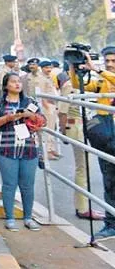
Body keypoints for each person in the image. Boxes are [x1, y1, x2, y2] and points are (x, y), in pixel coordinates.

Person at [0, 73, 46, 231]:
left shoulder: (30, 102)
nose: (17, 84)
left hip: (29, 149)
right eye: (13, 82)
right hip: (6, 148)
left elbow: (42, 120)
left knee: (28, 185)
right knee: (9, 184)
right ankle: (10, 218)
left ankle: (28, 217)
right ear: (6, 85)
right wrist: (8, 118)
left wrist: (30, 116)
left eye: (19, 81)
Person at [70, 47, 115, 241]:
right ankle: (111, 223)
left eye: (114, 61)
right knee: (110, 180)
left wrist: (97, 69)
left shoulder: (103, 75)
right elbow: (76, 84)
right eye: (108, 61)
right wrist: (73, 65)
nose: (110, 64)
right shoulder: (101, 81)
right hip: (106, 132)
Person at [58, 75, 105, 220]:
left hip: (91, 124)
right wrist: (63, 130)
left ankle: (83, 206)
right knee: (83, 168)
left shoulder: (92, 81)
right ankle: (83, 208)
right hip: (77, 127)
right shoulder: (69, 84)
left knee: (86, 168)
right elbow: (63, 111)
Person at [35, 60, 61, 160]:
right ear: (42, 68)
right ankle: (48, 151)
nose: (49, 69)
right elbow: (42, 94)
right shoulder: (41, 78)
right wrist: (46, 107)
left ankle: (52, 149)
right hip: (47, 106)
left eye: (50, 67)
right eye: (46, 68)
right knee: (48, 129)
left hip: (52, 104)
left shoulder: (49, 77)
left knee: (53, 128)